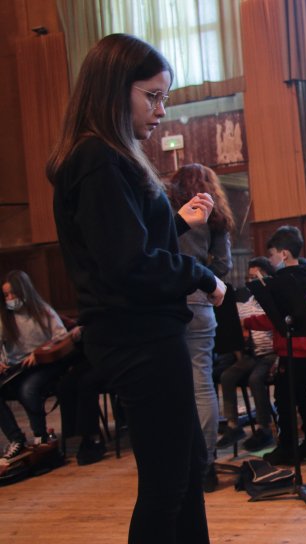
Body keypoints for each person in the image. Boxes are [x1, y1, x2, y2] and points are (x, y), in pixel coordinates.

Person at [47, 34, 226, 543]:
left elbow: (124, 244)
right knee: (168, 483)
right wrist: (202, 275)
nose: (161, 110)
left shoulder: (106, 157)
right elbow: (128, 266)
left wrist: (171, 219)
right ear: (112, 89)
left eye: (164, 97)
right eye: (152, 96)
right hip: (137, 338)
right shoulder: (98, 158)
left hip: (142, 333)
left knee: (187, 468)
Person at [167, 163, 234, 492]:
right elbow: (224, 265)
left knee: (170, 388)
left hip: (167, 303)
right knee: (202, 385)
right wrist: (208, 280)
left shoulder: (168, 211)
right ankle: (205, 464)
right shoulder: (216, 216)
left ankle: (178, 462)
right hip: (201, 301)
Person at [244, 226, 306, 465]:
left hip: (293, 345)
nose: (270, 259)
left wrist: (246, 321)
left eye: (271, 255)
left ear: (284, 254)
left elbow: (274, 317)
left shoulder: (284, 282)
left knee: (284, 399)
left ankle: (288, 447)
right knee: (304, 399)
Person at [0, 271, 69, 461]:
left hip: (44, 364)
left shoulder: (42, 311)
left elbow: (62, 337)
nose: (10, 299)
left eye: (13, 293)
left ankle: (41, 436)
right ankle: (16, 439)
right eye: (6, 295)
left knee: (28, 389)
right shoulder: (5, 318)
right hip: (18, 367)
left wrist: (38, 352)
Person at [216, 257, 278, 452]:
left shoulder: (273, 300)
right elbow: (237, 324)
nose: (252, 281)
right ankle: (233, 425)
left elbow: (271, 323)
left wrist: (248, 322)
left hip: (271, 354)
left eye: (257, 277)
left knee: (255, 379)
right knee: (227, 376)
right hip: (253, 354)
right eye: (249, 277)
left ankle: (264, 428)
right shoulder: (247, 303)